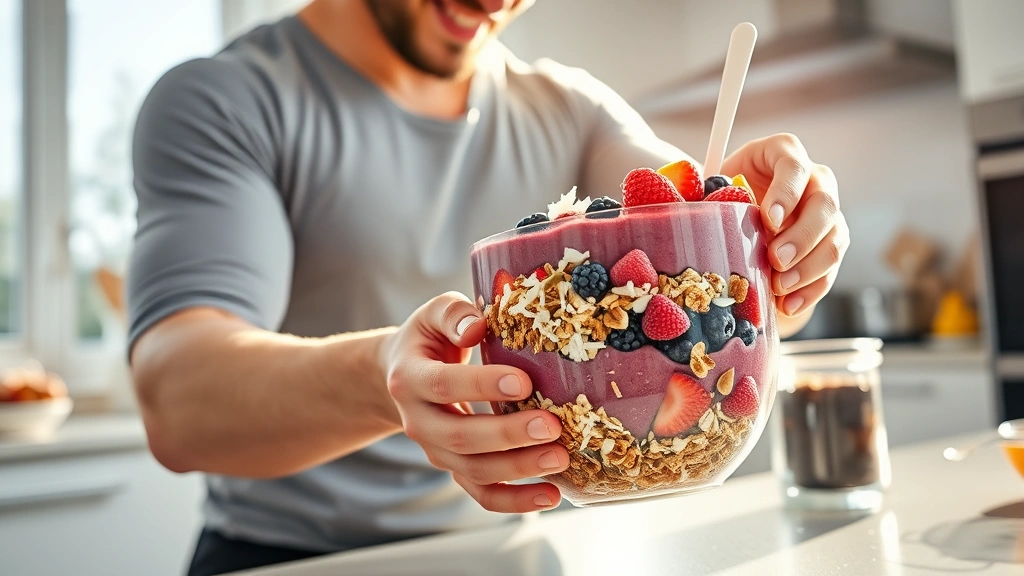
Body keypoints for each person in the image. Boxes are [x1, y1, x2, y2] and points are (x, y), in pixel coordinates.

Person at [127, 0, 849, 574]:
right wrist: (387, 377)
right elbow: (177, 397)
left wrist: (765, 211)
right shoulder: (224, 99)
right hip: (290, 560)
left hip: (516, 554)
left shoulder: (570, 110)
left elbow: (683, 206)